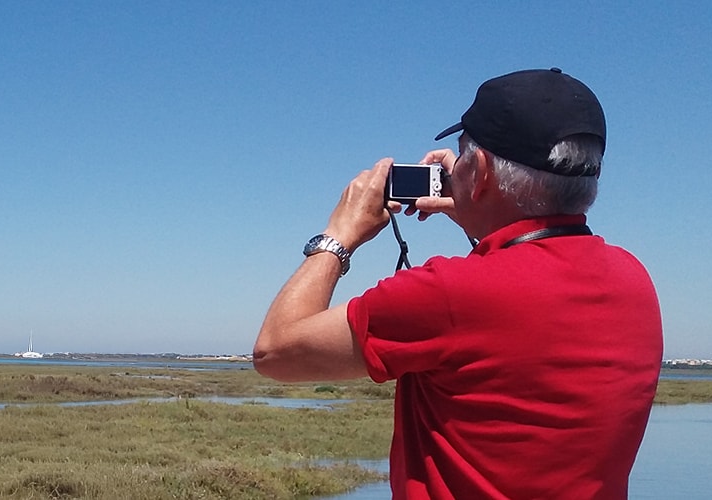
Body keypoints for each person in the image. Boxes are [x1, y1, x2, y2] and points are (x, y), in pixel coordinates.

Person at [251, 68, 662, 499]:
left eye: (464, 154)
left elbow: (275, 350)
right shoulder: (634, 280)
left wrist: (338, 236)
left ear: (480, 170)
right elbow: (524, 294)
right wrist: (482, 208)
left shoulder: (448, 292)